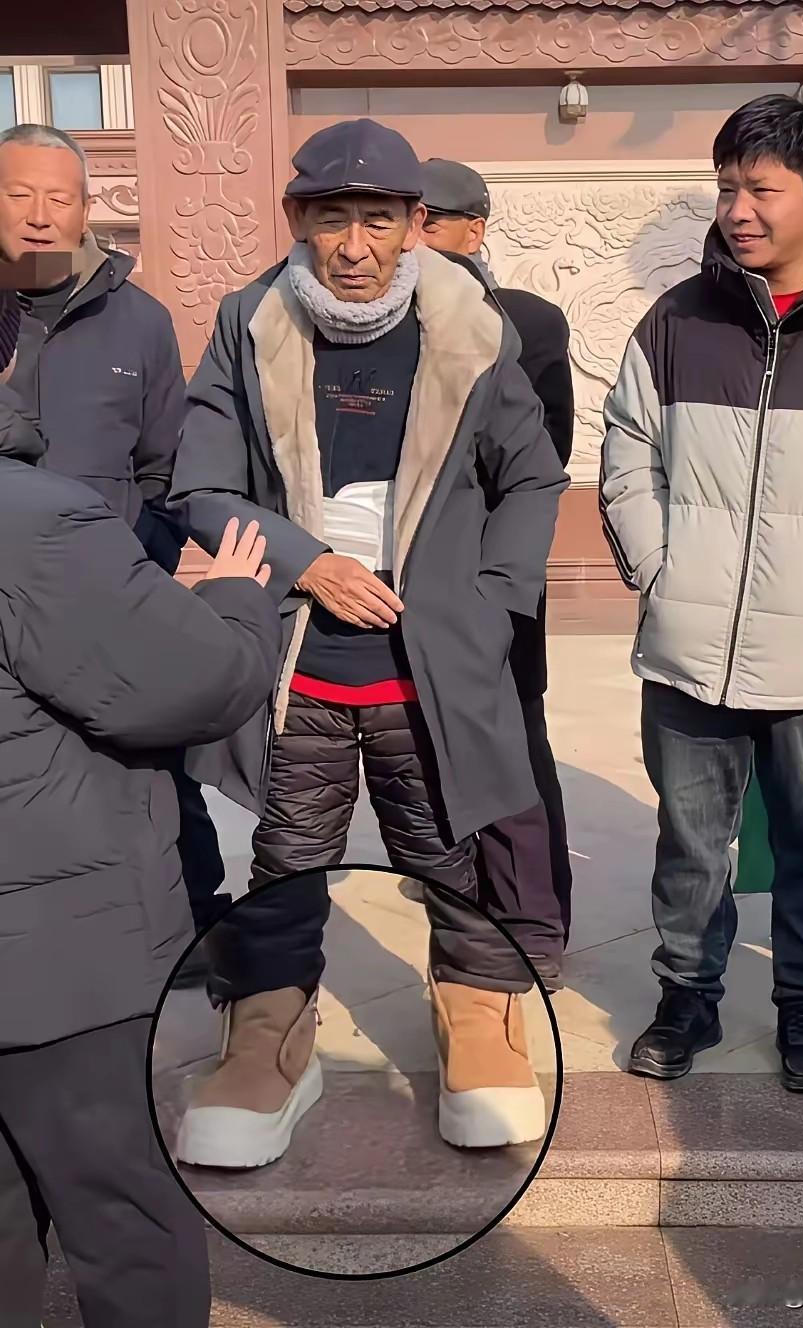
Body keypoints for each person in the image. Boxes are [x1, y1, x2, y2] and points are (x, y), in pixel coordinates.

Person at [168, 118, 568, 1162]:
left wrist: (491, 602)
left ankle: (475, 1014)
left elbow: (532, 476)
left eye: (378, 220)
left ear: (415, 223)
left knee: (450, 849)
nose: (354, 245)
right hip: (300, 662)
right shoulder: (250, 322)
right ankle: (269, 1031)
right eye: (332, 218)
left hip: (431, 665)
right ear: (297, 218)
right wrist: (307, 563)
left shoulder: (473, 328)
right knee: (289, 854)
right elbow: (198, 484)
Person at [600, 94, 803, 1094]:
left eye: (762, 189)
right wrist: (659, 567)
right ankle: (686, 996)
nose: (738, 210)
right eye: (727, 187)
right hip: (685, 646)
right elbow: (627, 447)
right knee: (691, 843)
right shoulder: (679, 317)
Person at [0, 269, 283, 1325]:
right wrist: (239, 601)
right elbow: (194, 684)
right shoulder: (34, 522)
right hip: (50, 953)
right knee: (121, 1215)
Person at [0, 122, 228, 946]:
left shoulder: (140, 321)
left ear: (86, 209)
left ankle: (192, 924)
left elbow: (166, 465)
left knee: (151, 768)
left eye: (58, 198)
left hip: (108, 601)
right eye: (18, 194)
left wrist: (140, 566)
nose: (39, 215)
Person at [419, 157, 575, 944]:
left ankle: (539, 915)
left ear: (473, 231)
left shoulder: (527, 323)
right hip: (400, 583)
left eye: (426, 220)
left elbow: (543, 460)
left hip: (492, 575)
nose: (406, 236)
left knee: (515, 739)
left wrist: (497, 582)